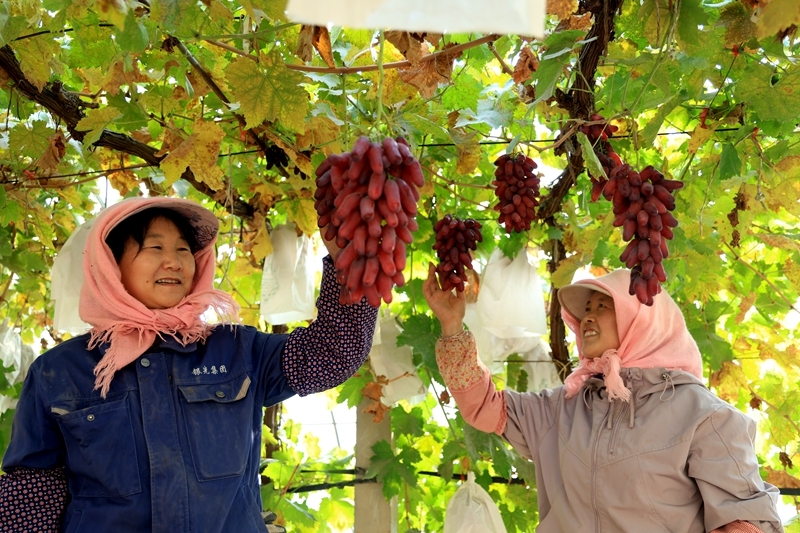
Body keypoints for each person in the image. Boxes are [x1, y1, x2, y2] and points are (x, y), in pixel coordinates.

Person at [0, 197, 378, 533]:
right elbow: (32, 494)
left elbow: (332, 354)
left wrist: (350, 265)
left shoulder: (237, 350)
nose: (175, 261)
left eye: (184, 249)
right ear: (111, 265)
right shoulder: (60, 371)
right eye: (155, 247)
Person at [423, 264, 785, 533]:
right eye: (585, 311)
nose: (588, 318)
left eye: (602, 306)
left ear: (642, 319)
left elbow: (746, 520)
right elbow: (483, 405)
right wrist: (452, 327)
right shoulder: (562, 408)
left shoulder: (703, 415)